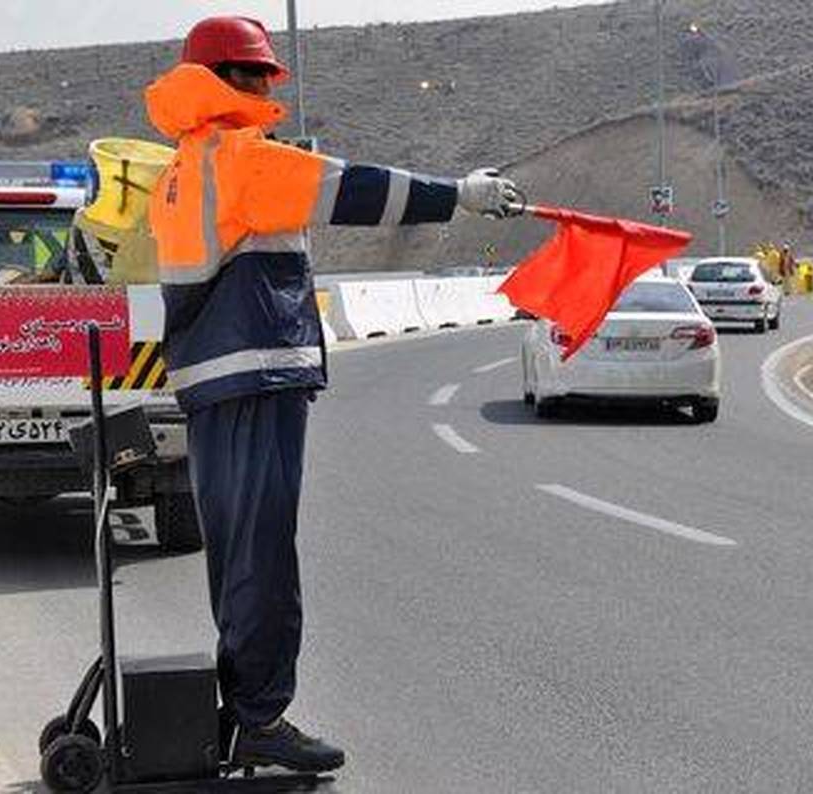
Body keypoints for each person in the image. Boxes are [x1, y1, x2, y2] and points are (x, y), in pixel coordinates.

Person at [144, 16, 520, 774]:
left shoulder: (181, 169)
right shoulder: (242, 157)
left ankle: (248, 707)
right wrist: (463, 195)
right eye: (257, 75)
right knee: (263, 558)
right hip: (253, 377)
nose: (266, 87)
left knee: (241, 554)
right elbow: (355, 188)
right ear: (227, 80)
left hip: (214, 383)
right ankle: (260, 718)